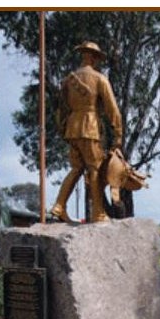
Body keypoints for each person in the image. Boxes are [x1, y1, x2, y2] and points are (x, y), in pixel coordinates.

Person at [50, 41, 122, 223]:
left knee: (76, 168)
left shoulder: (68, 80)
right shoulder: (99, 79)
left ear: (83, 56)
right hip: (89, 128)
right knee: (94, 169)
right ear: (94, 58)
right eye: (97, 57)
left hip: (72, 129)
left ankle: (59, 206)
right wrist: (118, 135)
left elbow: (60, 110)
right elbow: (112, 109)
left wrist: (63, 129)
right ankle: (98, 213)